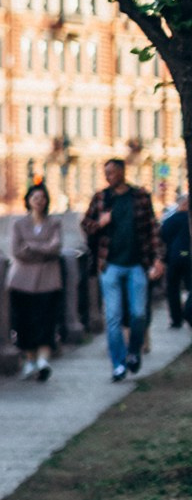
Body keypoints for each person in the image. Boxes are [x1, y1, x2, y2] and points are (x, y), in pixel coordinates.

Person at [82, 157, 163, 380]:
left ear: (122, 172)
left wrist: (158, 259)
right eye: (106, 173)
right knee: (113, 318)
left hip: (137, 264)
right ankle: (118, 364)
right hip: (109, 266)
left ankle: (134, 352)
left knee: (138, 315)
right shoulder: (101, 198)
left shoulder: (140, 197)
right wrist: (101, 223)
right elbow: (86, 226)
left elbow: (153, 229)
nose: (108, 176)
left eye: (112, 172)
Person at [7, 182, 65, 381]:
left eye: (42, 198)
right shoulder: (18, 224)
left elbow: (55, 247)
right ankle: (30, 360)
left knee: (46, 320)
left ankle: (43, 361)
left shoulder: (54, 223)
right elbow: (17, 251)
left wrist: (31, 247)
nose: (39, 202)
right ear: (28, 201)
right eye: (35, 198)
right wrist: (43, 249)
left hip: (48, 281)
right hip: (22, 282)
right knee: (24, 323)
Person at [161, 187, 191, 330]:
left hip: (173, 258)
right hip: (189, 257)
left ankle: (176, 319)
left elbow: (163, 236)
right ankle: (188, 313)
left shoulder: (171, 220)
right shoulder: (188, 220)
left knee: (173, 289)